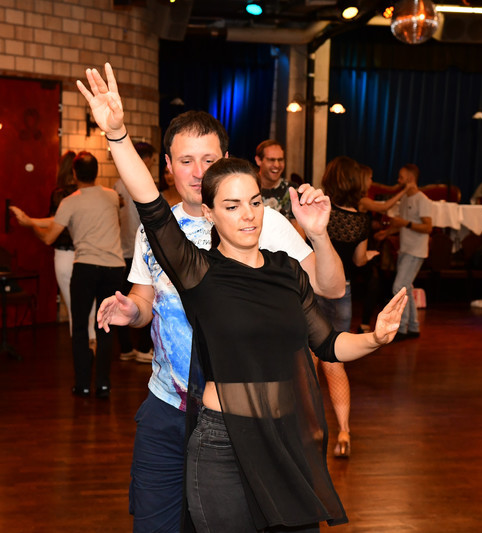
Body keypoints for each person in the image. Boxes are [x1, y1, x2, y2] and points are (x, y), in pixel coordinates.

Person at [79, 63, 407, 532]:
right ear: (211, 214)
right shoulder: (199, 271)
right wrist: (116, 133)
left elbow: (328, 339)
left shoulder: (284, 267)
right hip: (198, 422)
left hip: (279, 428)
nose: (248, 215)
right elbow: (148, 202)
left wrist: (375, 337)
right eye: (232, 206)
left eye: (254, 202)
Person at [9, 152, 124, 399]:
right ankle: (103, 384)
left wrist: (31, 225)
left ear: (74, 173)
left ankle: (83, 384)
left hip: (86, 267)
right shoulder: (112, 196)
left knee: (80, 326)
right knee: (106, 327)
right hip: (115, 268)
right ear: (97, 172)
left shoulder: (69, 202)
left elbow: (50, 236)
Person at [315, 156, 377, 458]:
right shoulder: (361, 221)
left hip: (312, 290)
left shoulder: (319, 211)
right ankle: (343, 431)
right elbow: (359, 260)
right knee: (334, 361)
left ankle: (307, 427)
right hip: (342, 292)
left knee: (306, 363)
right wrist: (371, 254)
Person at [374, 164, 432, 339]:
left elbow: (428, 227)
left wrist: (405, 224)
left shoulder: (422, 200)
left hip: (416, 250)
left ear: (410, 179)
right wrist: (386, 233)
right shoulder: (406, 198)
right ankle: (413, 327)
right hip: (405, 248)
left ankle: (402, 328)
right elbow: (401, 224)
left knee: (399, 287)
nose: (398, 180)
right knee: (406, 287)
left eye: (401, 177)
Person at [356, 163, 412, 333]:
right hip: (359, 248)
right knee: (372, 283)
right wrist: (404, 190)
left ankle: (365, 324)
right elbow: (385, 206)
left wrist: (377, 227)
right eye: (370, 178)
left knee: (373, 284)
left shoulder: (361, 198)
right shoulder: (362, 199)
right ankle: (364, 325)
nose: (372, 181)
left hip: (364, 246)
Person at [113, 142, 155, 363]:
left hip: (123, 249)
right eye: (152, 160)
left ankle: (126, 348)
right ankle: (143, 348)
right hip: (141, 249)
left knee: (126, 299)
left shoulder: (118, 184)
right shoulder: (144, 184)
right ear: (144, 158)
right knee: (147, 297)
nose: (152, 164)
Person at [49, 150, 78, 335]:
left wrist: (30, 222)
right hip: (85, 251)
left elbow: (53, 223)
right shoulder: (84, 194)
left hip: (65, 252)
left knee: (72, 305)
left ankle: (79, 345)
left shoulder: (60, 195)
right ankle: (91, 343)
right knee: (88, 305)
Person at [255, 140, 294, 220]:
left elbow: (297, 226)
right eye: (271, 160)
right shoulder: (247, 188)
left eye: (280, 160)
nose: (276, 165)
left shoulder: (292, 191)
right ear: (258, 160)